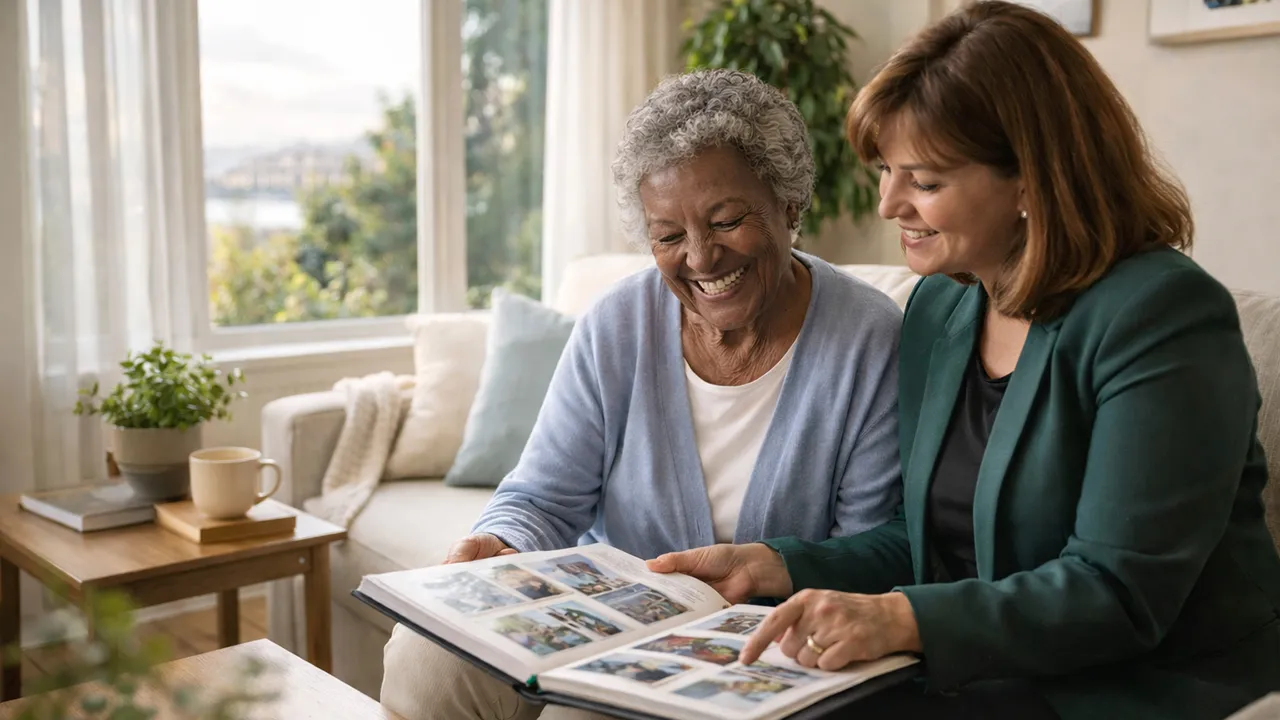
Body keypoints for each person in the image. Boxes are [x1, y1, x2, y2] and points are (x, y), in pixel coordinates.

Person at [648, 3, 1280, 719]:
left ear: (1029, 182)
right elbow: (927, 542)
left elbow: (1118, 591)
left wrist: (901, 620)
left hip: (1139, 687)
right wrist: (779, 564)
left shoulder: (1160, 316)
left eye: (923, 181)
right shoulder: (941, 311)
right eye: (886, 170)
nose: (887, 203)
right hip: (983, 674)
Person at [379, 69, 906, 720]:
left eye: (726, 220)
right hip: (611, 623)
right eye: (668, 236)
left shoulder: (870, 339)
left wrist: (774, 565)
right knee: (425, 652)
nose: (702, 258)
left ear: (790, 206)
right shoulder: (616, 325)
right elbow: (542, 497)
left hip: (764, 648)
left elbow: (874, 552)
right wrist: (501, 545)